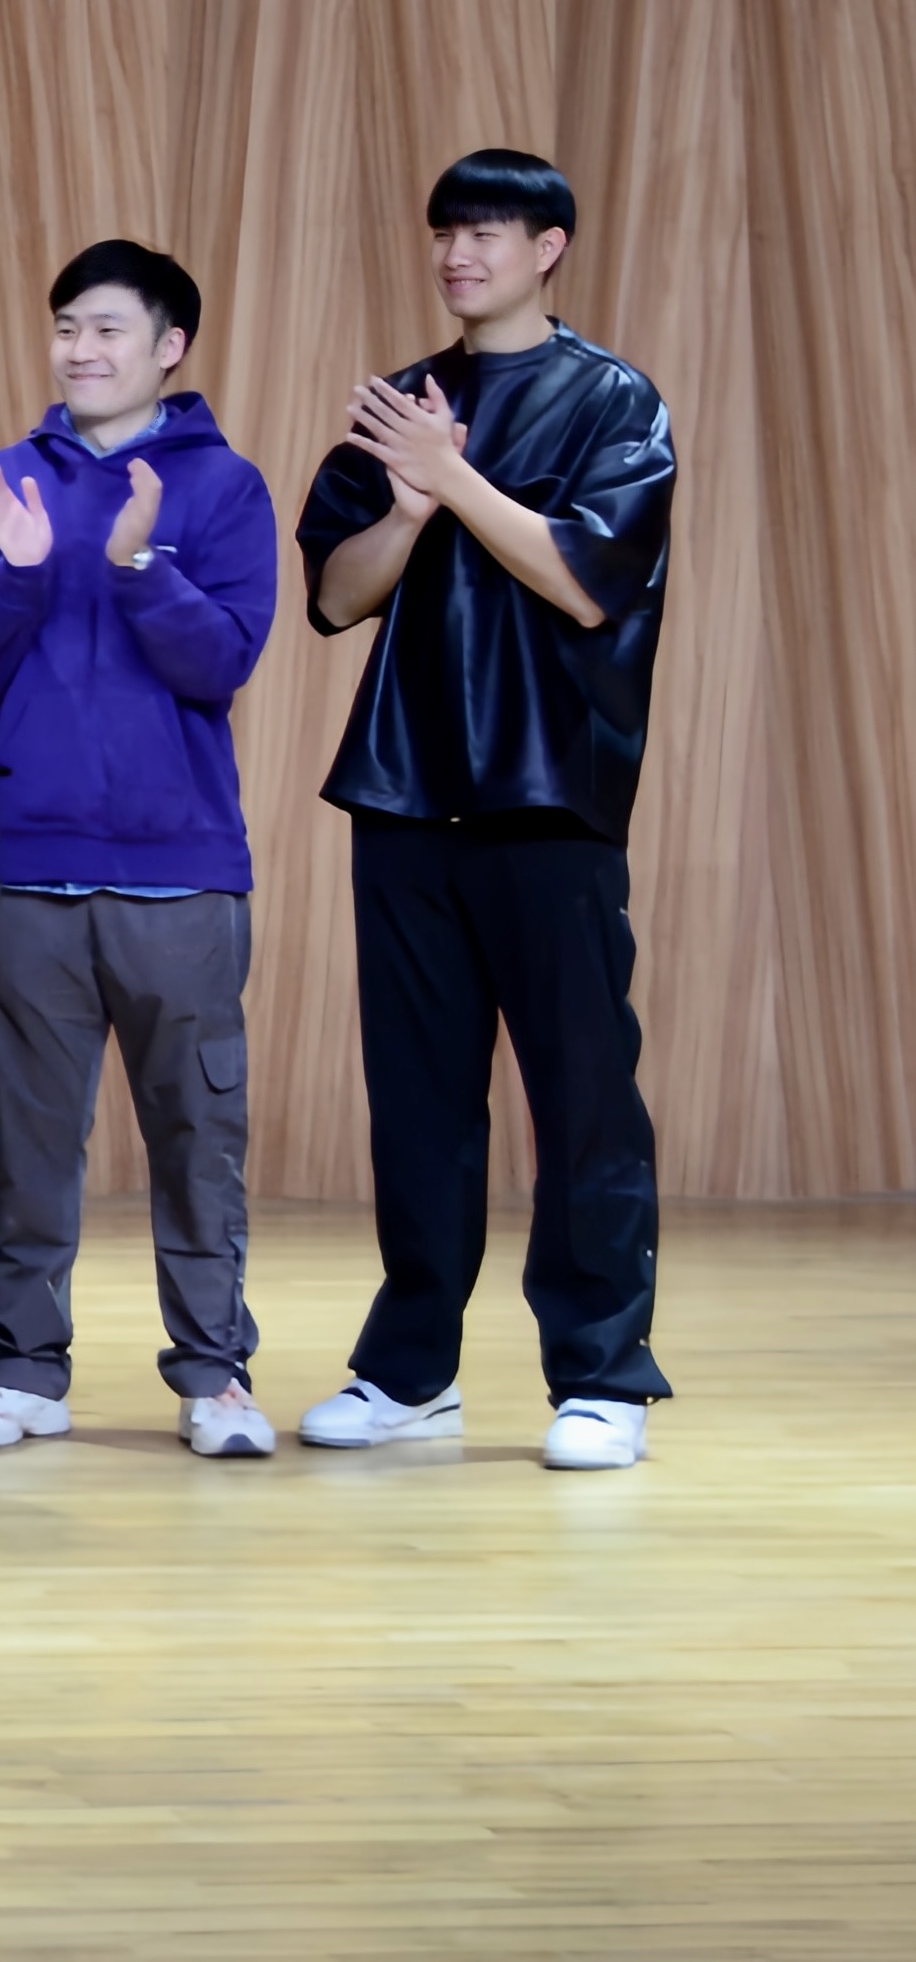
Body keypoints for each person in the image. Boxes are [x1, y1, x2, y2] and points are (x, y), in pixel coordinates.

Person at [291, 149, 676, 1471]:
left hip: (547, 798)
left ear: (546, 247)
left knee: (582, 1096)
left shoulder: (612, 400)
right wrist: (406, 507)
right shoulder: (404, 403)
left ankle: (602, 1374)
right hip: (404, 793)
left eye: (487, 232)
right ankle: (409, 1373)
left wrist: (451, 482)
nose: (457, 254)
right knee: (416, 1102)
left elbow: (584, 581)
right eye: (445, 232)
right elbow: (334, 596)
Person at [0, 244, 281, 1462]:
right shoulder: (2, 479)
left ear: (167, 346)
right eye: (66, 326)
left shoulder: (222, 487)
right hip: (25, 866)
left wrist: (134, 563)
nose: (79, 349)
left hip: (180, 875)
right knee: (28, 1139)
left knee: (196, 1135)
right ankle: (23, 1369)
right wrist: (20, 575)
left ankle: (213, 1374)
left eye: (107, 329)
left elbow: (219, 661)